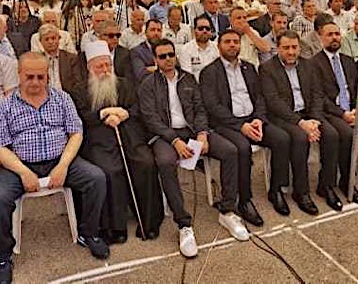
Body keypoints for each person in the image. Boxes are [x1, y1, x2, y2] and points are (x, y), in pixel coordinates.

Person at [0, 53, 110, 282]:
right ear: (19, 75)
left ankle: (89, 233)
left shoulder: (62, 98)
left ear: (47, 76)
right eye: (29, 76)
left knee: (96, 178)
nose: (35, 82)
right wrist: (24, 172)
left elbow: (76, 133)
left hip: (59, 160)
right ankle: (3, 255)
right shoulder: (4, 107)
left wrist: (63, 166)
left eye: (40, 77)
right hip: (19, 165)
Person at [139, 39, 245, 257]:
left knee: (230, 151)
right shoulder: (147, 85)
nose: (168, 59)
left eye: (171, 55)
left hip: (192, 131)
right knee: (166, 162)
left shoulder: (188, 79)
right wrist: (174, 140)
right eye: (162, 56)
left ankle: (227, 211)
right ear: (155, 60)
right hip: (165, 136)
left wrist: (202, 134)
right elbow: (151, 119)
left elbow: (200, 109)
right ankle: (184, 224)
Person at [199, 30, 291, 222]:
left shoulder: (249, 68)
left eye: (236, 41)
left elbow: (259, 97)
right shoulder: (209, 72)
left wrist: (259, 119)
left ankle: (276, 190)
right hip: (227, 123)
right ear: (219, 46)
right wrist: (241, 126)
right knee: (242, 147)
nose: (232, 45)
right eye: (227, 42)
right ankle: (244, 200)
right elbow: (213, 106)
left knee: (281, 139)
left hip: (252, 119)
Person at [69, 41, 148, 244]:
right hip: (97, 138)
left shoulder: (124, 84)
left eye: (108, 65)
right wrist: (102, 114)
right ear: (90, 68)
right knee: (111, 170)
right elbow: (80, 116)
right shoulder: (79, 90)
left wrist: (124, 113)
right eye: (100, 66)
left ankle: (148, 220)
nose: (105, 70)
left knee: (144, 163)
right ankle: (114, 226)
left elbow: (136, 108)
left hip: (126, 132)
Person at [257, 31, 325, 214]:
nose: (291, 52)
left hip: (307, 114)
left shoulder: (308, 65)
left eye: (294, 47)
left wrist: (315, 120)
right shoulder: (267, 68)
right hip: (281, 116)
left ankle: (326, 185)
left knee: (331, 134)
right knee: (299, 138)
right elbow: (273, 101)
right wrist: (301, 123)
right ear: (278, 48)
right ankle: (292, 190)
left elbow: (317, 94)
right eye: (286, 48)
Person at [306, 19, 358, 206]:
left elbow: (355, 89)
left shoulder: (348, 61)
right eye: (329, 34)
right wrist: (342, 113)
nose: (334, 38)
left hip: (350, 110)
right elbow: (319, 96)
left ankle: (347, 181)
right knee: (339, 135)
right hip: (328, 111)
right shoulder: (313, 63)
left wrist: (355, 109)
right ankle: (327, 184)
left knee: (348, 134)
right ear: (321, 37)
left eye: (337, 34)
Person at [38, 24, 83, 92]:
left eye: (53, 38)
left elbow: (78, 84)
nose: (50, 42)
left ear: (59, 39)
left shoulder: (71, 59)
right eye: (46, 39)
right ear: (40, 41)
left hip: (68, 96)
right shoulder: (37, 61)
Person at [177, 15, 220, 80]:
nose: (204, 31)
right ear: (194, 31)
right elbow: (187, 77)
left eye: (207, 28)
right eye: (201, 28)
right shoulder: (186, 49)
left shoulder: (217, 47)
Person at [130, 19, 164, 84]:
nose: (156, 33)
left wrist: (151, 69)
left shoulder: (167, 48)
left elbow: (176, 70)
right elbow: (141, 75)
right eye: (152, 30)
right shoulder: (137, 51)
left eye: (159, 30)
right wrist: (162, 69)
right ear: (145, 33)